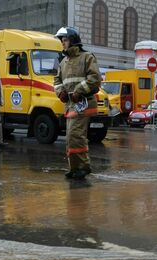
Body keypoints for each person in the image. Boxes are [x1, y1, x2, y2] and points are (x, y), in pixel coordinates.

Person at [54, 26, 101, 180]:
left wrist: (78, 91)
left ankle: (83, 167)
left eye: (65, 40)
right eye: (61, 40)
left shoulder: (87, 57)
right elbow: (57, 80)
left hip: (84, 103)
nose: (62, 43)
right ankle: (75, 168)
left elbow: (94, 79)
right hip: (70, 105)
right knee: (71, 137)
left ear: (73, 40)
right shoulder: (63, 62)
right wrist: (60, 91)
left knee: (76, 136)